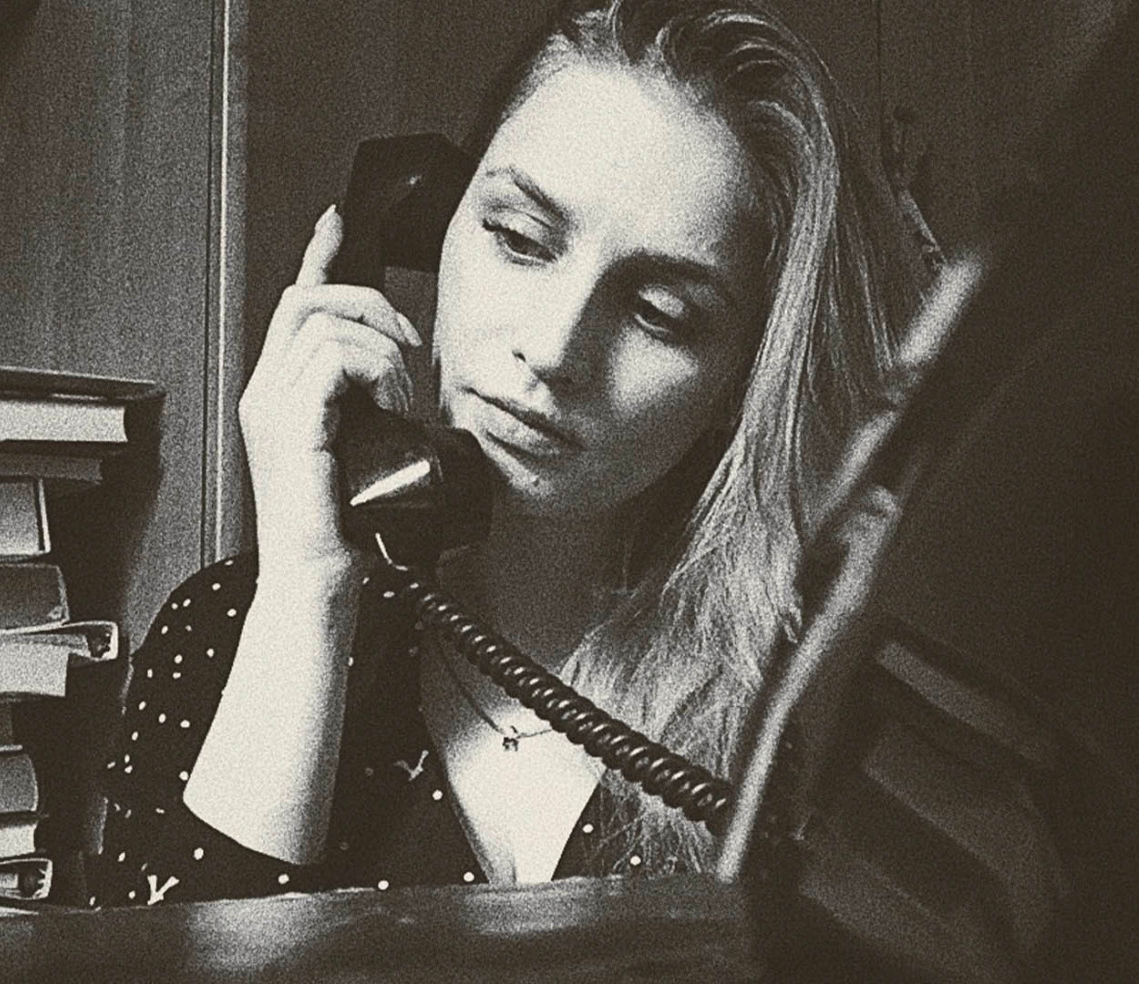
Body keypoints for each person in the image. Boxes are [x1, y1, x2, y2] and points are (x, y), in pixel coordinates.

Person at [85, 0, 926, 906]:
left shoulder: (823, 721)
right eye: (520, 240)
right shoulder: (227, 630)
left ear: (748, 375)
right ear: (433, 229)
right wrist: (307, 599)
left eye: (660, 314)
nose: (556, 349)